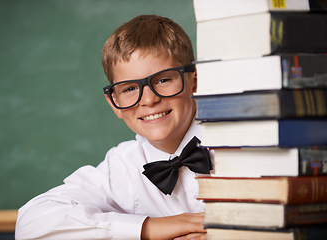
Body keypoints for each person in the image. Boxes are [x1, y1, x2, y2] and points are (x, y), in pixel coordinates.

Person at [15, 14, 213, 240]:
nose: (148, 100)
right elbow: (31, 224)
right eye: (129, 89)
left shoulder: (239, 143)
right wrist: (148, 228)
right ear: (115, 103)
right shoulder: (121, 166)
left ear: (194, 81)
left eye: (163, 80)